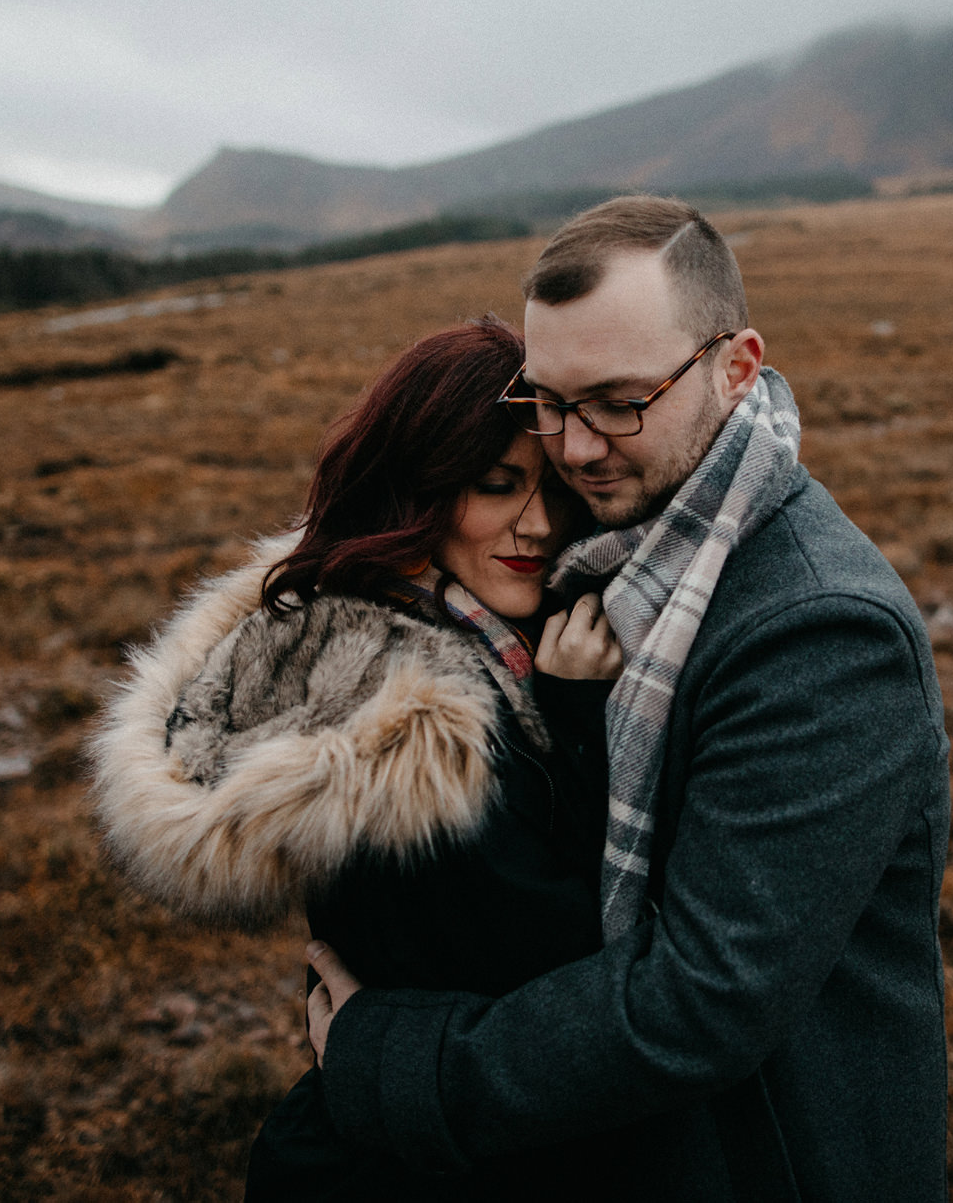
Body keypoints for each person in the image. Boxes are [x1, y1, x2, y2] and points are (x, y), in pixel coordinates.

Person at [303, 196, 953, 1200]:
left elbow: (701, 998)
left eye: (617, 401)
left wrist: (389, 1057)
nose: (574, 449)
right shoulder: (618, 559)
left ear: (736, 368)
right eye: (550, 403)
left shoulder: (819, 634)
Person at [89, 317, 625, 1199]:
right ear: (418, 488)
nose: (539, 524)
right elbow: (579, 952)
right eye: (497, 485)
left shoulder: (409, 625)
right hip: (410, 1163)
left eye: (555, 487)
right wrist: (577, 714)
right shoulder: (414, 721)